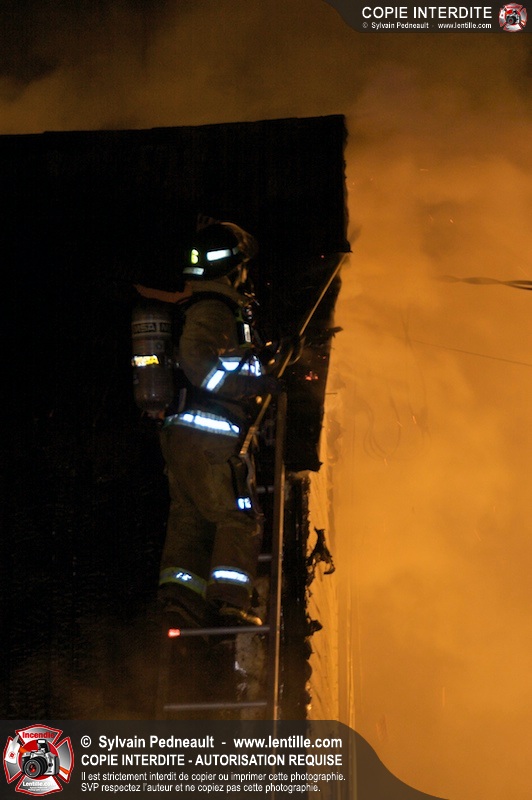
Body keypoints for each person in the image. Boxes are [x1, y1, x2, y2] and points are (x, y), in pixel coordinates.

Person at [141, 221, 277, 629]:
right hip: (211, 431)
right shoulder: (215, 309)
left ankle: (181, 599)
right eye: (244, 267)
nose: (247, 276)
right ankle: (230, 602)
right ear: (232, 268)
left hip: (179, 433)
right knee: (238, 516)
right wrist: (252, 386)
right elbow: (199, 362)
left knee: (190, 515)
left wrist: (266, 362)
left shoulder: (197, 307)